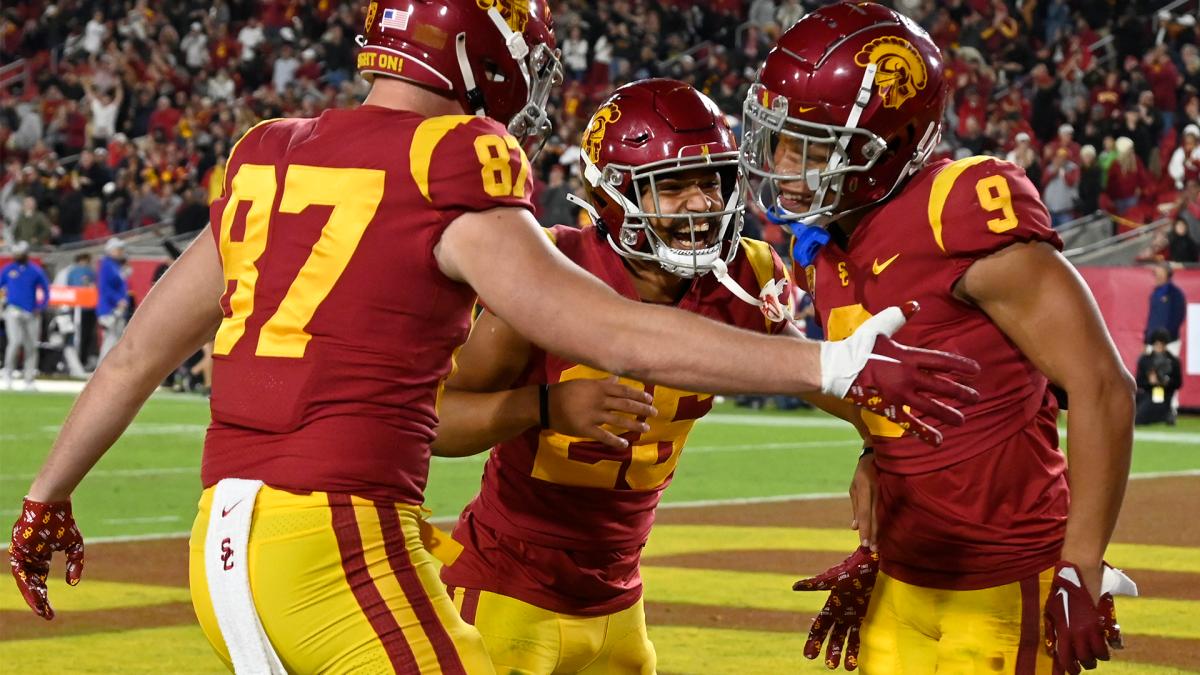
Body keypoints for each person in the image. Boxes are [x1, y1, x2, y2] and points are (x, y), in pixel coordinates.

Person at [7, 2, 978, 673]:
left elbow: (137, 352)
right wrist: (830, 360)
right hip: (336, 538)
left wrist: (46, 496)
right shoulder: (454, 155)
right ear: (482, 51)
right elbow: (604, 328)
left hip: (221, 542)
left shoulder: (267, 152)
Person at [740, 4, 1136, 673]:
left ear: (889, 141)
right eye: (781, 138)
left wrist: (1081, 565)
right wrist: (874, 450)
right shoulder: (827, 245)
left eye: (810, 144)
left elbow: (1102, 385)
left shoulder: (956, 208)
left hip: (1005, 582)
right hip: (902, 579)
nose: (783, 163)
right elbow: (883, 387)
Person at [431, 79, 873, 674]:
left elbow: (819, 376)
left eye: (710, 181)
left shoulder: (745, 276)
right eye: (672, 185)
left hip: (618, 602)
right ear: (613, 194)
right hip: (506, 589)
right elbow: (434, 421)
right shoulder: (553, 267)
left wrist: (876, 447)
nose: (700, 204)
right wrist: (545, 406)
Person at [0, 241, 50, 390]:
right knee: (15, 342)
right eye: (16, 253)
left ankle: (29, 379)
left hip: (30, 312)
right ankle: (8, 374)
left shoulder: (35, 270)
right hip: (13, 310)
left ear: (26, 254)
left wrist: (40, 306)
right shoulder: (8, 269)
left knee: (31, 346)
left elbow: (46, 290)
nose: (17, 256)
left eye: (20, 253)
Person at [1135, 329, 1182, 425]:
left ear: (1166, 345)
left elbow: (1178, 383)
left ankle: (1165, 414)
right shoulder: (1145, 360)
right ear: (1153, 345)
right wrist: (1150, 381)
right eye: (1157, 344)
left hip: (1163, 395)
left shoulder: (1173, 361)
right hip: (1147, 393)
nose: (1159, 347)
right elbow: (1139, 381)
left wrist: (1165, 382)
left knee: (1140, 417)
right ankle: (1165, 415)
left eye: (1162, 345)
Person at [96, 237, 129, 362]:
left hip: (116, 309)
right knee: (110, 341)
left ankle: (109, 369)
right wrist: (118, 300)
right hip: (109, 309)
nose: (121, 251)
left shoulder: (115, 265)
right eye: (118, 249)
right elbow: (104, 288)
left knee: (115, 341)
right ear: (111, 250)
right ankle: (102, 368)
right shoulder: (107, 265)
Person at [1144, 263, 1186, 356]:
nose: (1156, 276)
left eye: (1159, 273)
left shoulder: (1175, 293)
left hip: (1169, 343)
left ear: (1166, 274)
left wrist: (1165, 339)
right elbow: (1151, 318)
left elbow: (1179, 316)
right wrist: (1146, 340)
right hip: (1152, 341)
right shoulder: (1155, 293)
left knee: (1168, 365)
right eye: (1156, 273)